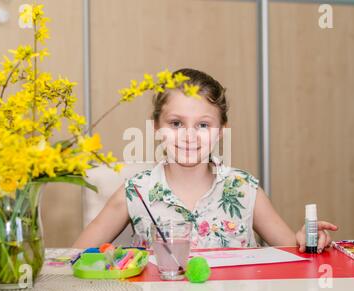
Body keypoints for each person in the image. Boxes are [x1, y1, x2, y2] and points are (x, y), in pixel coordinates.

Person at [73, 68, 338, 252]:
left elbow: (293, 252)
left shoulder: (245, 189)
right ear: (156, 127)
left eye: (203, 125)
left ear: (221, 131)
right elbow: (72, 256)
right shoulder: (134, 193)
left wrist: (308, 241)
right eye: (176, 123)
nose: (189, 136)